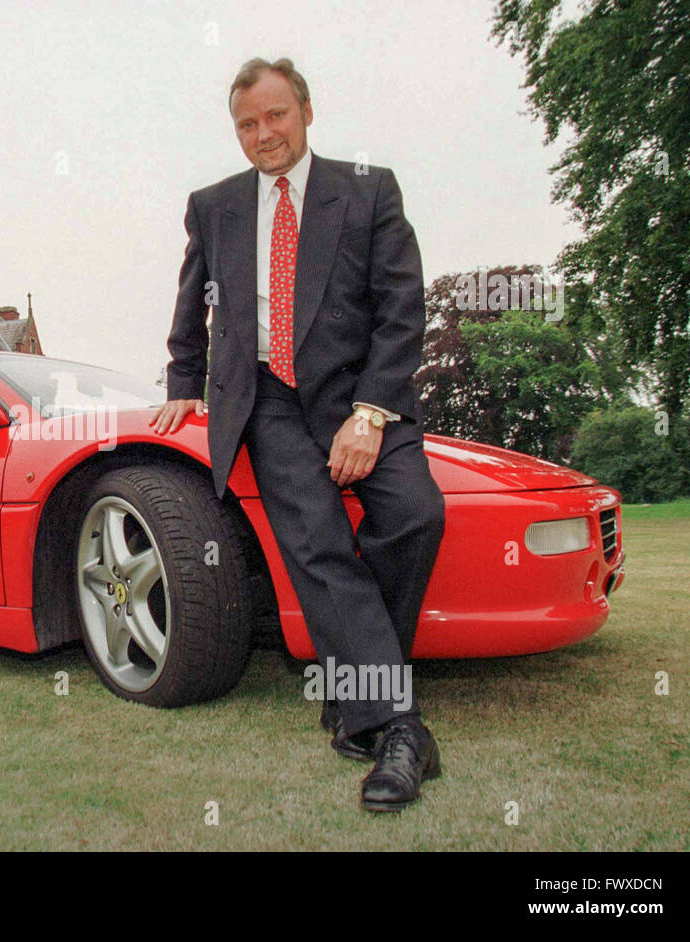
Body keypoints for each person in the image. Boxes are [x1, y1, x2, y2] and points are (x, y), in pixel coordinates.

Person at [150, 57, 446, 812]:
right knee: (318, 545)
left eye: (275, 115)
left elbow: (402, 309)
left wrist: (370, 413)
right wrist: (183, 387)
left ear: (306, 112)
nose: (263, 134)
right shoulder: (213, 206)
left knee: (416, 515)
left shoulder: (369, 189)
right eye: (246, 124)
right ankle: (397, 726)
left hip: (361, 393)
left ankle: (351, 687)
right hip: (267, 401)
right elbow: (193, 306)